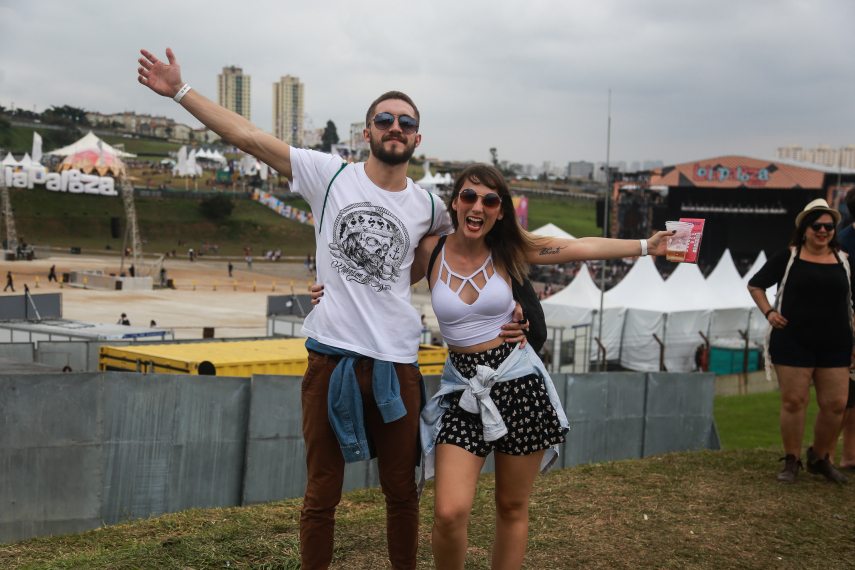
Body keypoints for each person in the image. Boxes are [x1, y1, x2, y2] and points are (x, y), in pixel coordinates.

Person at [137, 48, 527, 570]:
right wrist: (180, 92)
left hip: (397, 363)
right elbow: (248, 138)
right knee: (322, 494)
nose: (395, 126)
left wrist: (518, 314)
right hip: (331, 358)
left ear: (417, 138)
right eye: (384, 119)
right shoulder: (329, 175)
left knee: (402, 492)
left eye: (406, 122)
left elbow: (482, 249)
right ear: (366, 132)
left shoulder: (432, 206)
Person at [404, 164, 673, 570]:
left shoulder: (510, 249)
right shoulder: (431, 250)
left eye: (490, 200)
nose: (478, 206)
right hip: (463, 391)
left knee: (512, 507)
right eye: (470, 197)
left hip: (517, 383)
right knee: (449, 512)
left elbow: (580, 247)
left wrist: (645, 246)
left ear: (500, 211)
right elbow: (383, 282)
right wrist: (329, 292)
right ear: (455, 202)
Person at [747, 198, 852, 484]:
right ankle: (792, 461)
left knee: (835, 404)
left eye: (828, 226)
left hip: (837, 343)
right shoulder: (789, 256)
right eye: (816, 225)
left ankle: (820, 458)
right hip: (793, 341)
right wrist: (769, 312)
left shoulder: (843, 260)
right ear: (804, 229)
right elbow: (755, 284)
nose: (823, 230)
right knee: (794, 401)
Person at [832, 188, 855, 473]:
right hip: (847, 326)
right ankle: (824, 453)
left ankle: (849, 456)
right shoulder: (843, 243)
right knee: (842, 399)